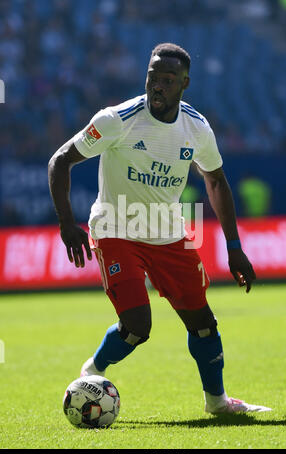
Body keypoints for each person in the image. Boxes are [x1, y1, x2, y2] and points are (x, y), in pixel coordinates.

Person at [48, 43, 271, 414]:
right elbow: (60, 161)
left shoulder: (196, 128)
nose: (158, 86)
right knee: (136, 327)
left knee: (203, 323)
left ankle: (217, 403)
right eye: (153, 77)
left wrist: (234, 246)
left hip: (168, 233)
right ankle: (92, 371)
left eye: (168, 80)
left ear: (185, 83)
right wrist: (66, 222)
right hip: (116, 228)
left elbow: (216, 182)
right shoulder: (116, 119)